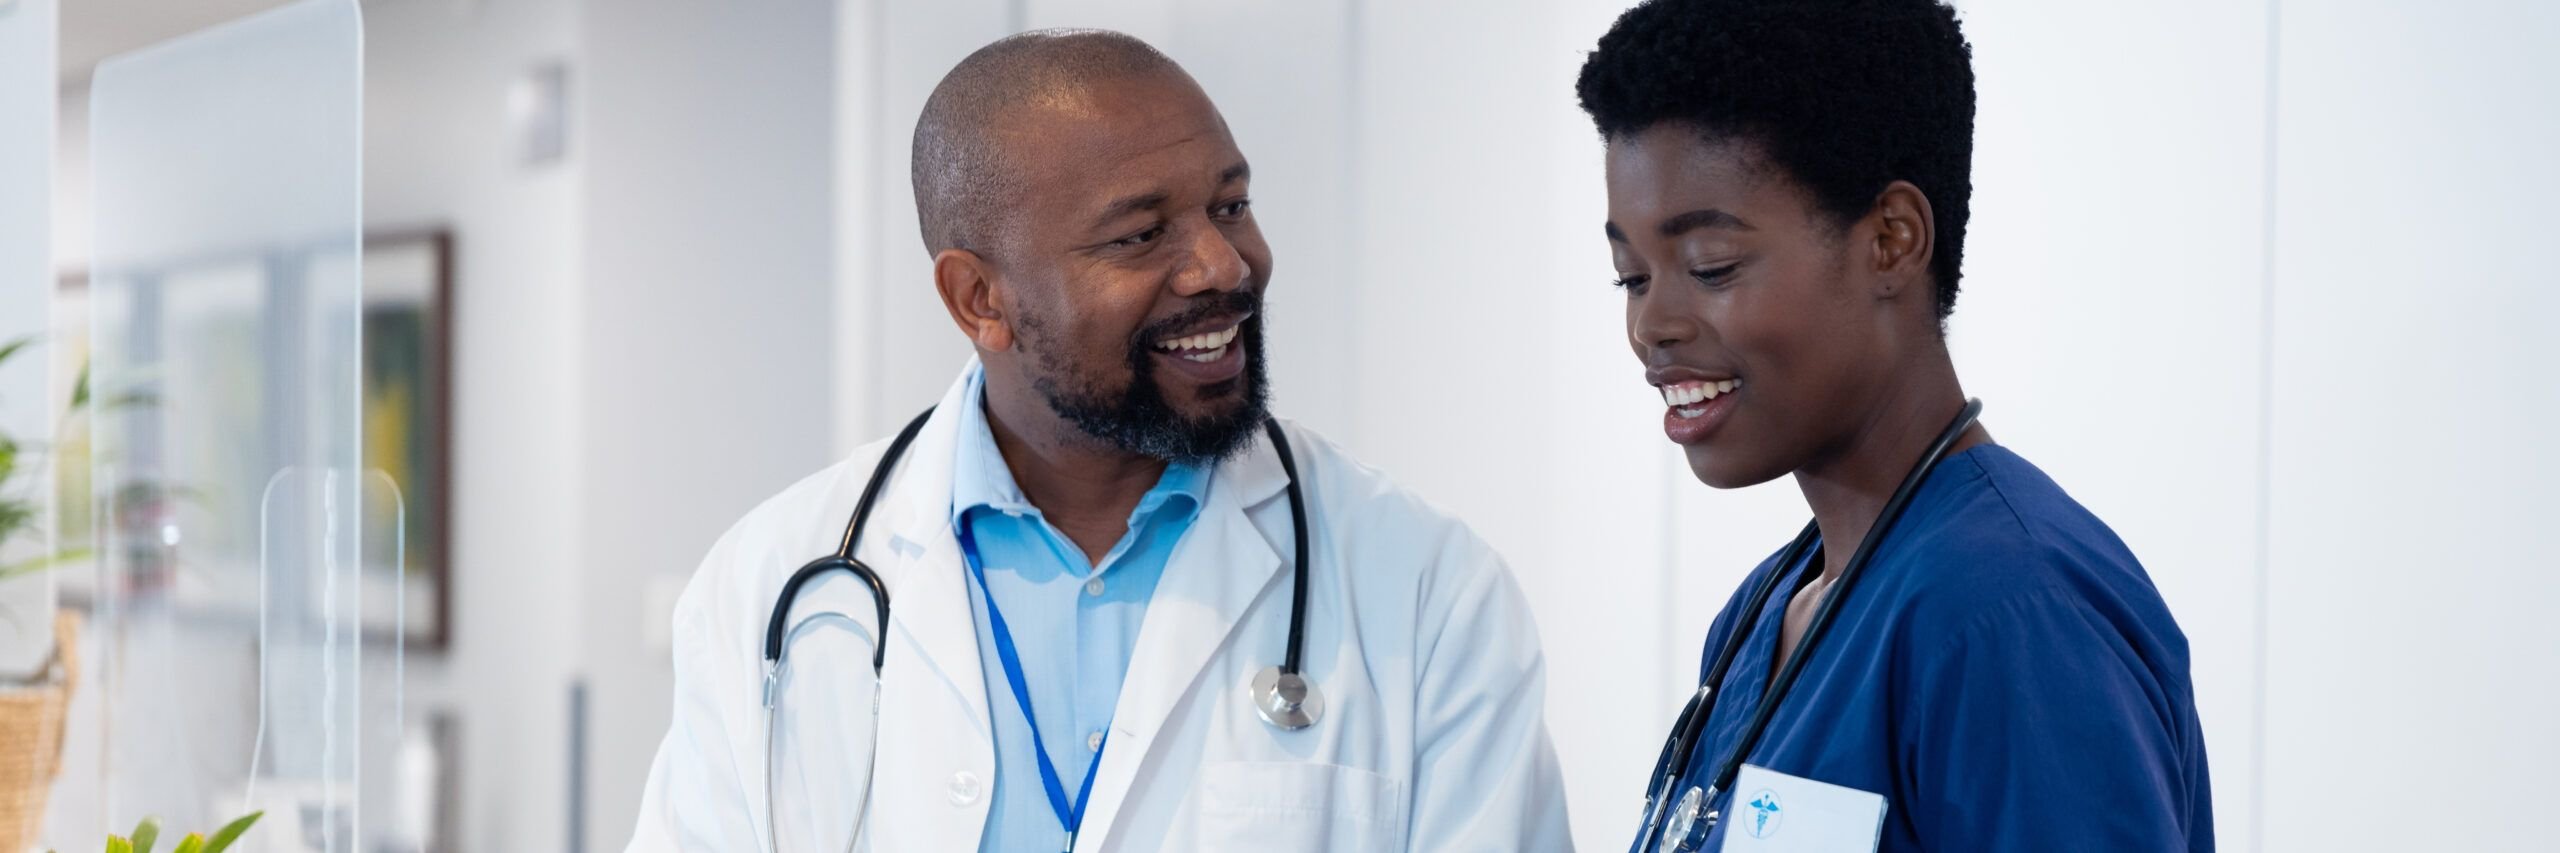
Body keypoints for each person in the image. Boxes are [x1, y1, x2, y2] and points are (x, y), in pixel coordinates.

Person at [627, 29, 1570, 853]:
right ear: (979, 299)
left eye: (1231, 205)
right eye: (1140, 234)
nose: (1224, 264)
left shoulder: (1424, 586)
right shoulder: (770, 585)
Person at [1577, 1, 2213, 850]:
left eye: (1710, 266)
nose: (1652, 326)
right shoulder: (1761, 616)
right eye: (1632, 277)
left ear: (1891, 240)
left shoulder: (2013, 617)